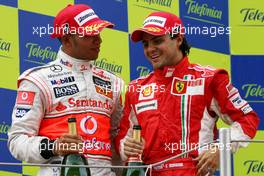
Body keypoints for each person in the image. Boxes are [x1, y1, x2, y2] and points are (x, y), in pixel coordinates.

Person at [115, 11, 260, 176]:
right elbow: (122, 139)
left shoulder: (209, 79)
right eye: (145, 44)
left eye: (157, 41)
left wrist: (221, 148)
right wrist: (126, 147)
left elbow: (248, 119)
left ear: (178, 39)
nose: (150, 49)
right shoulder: (136, 88)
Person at [8, 4, 124, 176]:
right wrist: (54, 146)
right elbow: (17, 141)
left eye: (98, 33)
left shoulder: (113, 82)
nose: (98, 40)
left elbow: (117, 139)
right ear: (67, 39)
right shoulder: (38, 80)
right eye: (89, 34)